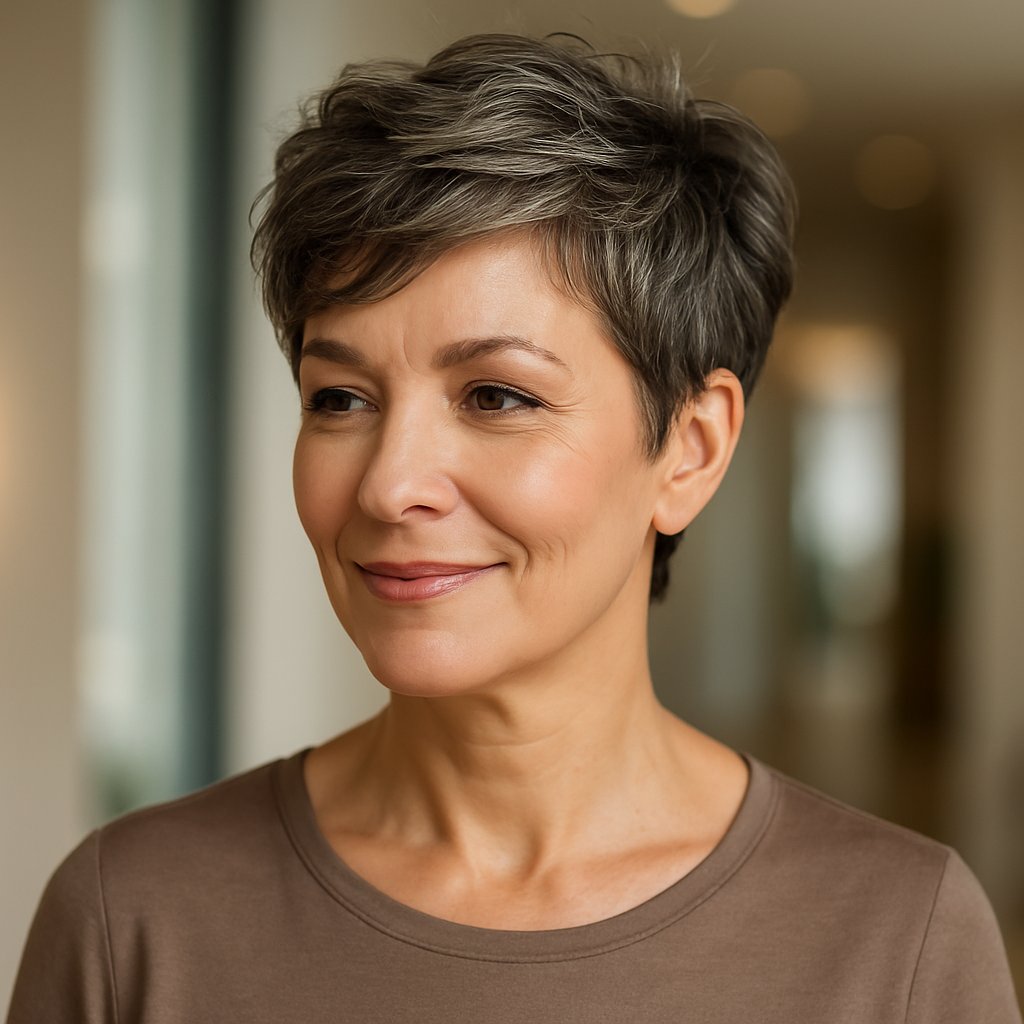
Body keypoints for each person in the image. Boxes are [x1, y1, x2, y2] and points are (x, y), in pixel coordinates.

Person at [7, 33, 1020, 1024]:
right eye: (340, 398)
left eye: (494, 395)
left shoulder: (896, 939)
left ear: (691, 448)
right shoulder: (130, 918)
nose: (390, 484)